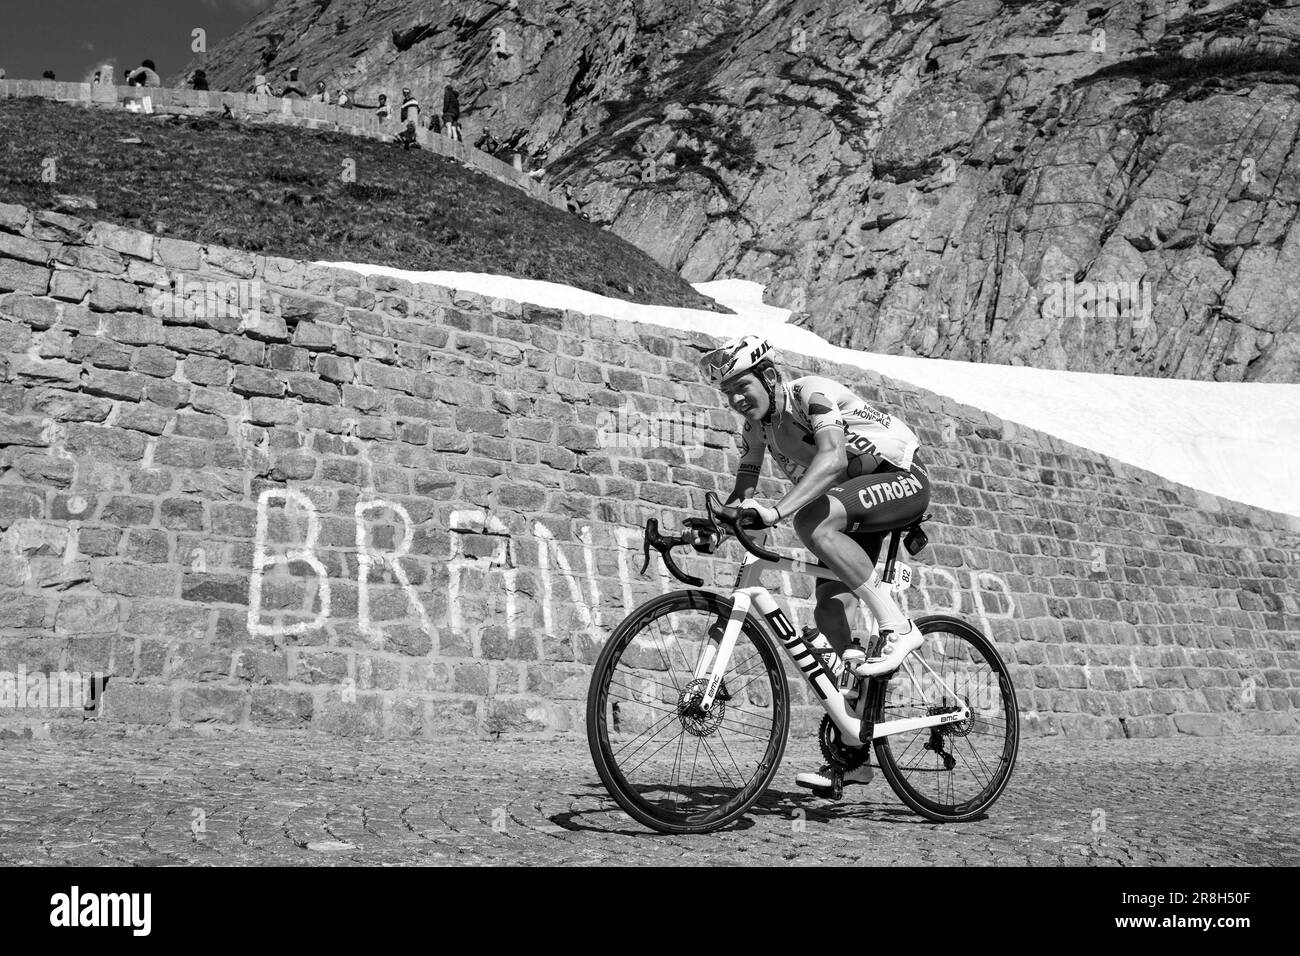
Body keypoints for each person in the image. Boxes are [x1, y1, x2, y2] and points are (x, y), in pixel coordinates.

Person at [700, 335, 930, 793]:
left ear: (768, 376)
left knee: (813, 522)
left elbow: (832, 457)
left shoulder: (811, 394)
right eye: (728, 394)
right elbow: (743, 492)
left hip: (899, 480)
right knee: (828, 610)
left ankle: (900, 628)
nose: (736, 399)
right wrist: (719, 524)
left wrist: (779, 511)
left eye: (742, 386)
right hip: (854, 506)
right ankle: (855, 749)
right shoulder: (755, 430)